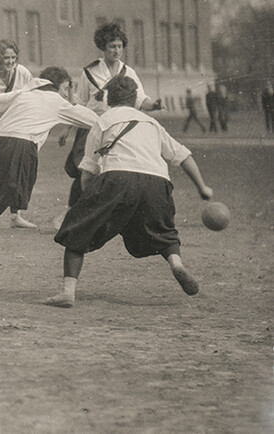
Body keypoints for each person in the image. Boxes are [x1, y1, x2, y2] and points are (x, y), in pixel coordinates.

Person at [46, 76, 213, 308]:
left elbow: (87, 171)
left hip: (117, 177)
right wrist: (202, 187)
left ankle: (67, 292)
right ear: (135, 99)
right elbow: (183, 156)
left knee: (77, 230)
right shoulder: (151, 123)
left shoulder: (103, 120)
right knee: (163, 231)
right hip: (157, 181)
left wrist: (89, 203)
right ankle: (176, 264)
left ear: (108, 98)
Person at [0, 67, 97, 247]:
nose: (66, 93)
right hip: (20, 146)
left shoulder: (23, 94)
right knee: (9, 193)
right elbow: (94, 121)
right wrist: (70, 100)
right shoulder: (57, 101)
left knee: (10, 190)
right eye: (65, 88)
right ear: (56, 86)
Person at [59, 22, 160, 211]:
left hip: (116, 128)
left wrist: (153, 105)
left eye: (120, 46)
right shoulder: (90, 72)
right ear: (103, 48)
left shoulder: (129, 72)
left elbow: (139, 99)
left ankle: (103, 210)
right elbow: (79, 103)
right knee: (86, 167)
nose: (116, 50)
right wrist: (67, 128)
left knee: (111, 167)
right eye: (112, 46)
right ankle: (73, 210)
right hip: (91, 127)